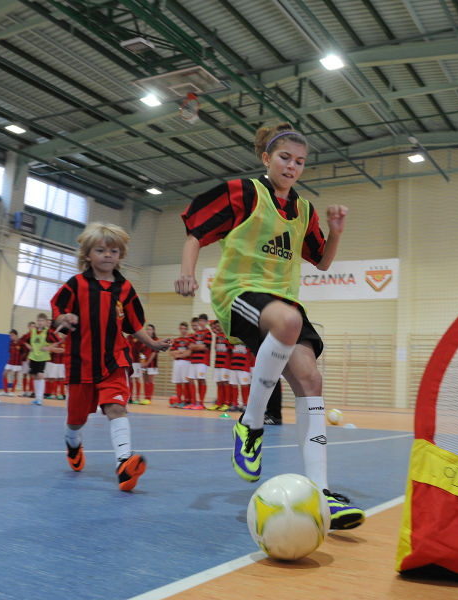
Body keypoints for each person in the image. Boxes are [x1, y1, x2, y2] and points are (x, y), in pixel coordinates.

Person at [176, 122, 364, 530]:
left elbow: (322, 262)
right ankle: (251, 422)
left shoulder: (304, 210)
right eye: (285, 158)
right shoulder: (243, 193)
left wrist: (335, 233)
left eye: (300, 161)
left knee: (311, 381)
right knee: (288, 320)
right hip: (240, 293)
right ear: (266, 158)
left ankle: (321, 493)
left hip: (284, 303)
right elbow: (195, 232)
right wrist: (187, 273)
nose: (292, 166)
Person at [51, 222, 170, 492]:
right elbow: (57, 310)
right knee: (76, 420)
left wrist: (152, 343)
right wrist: (63, 318)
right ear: (87, 255)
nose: (108, 255)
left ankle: (124, 464)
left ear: (120, 255)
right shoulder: (76, 285)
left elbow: (134, 324)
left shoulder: (125, 289)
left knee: (116, 408)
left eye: (113, 251)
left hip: (114, 361)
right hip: (81, 363)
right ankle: (72, 441)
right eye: (101, 250)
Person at [140, 324, 161, 404]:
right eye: (147, 329)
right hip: (144, 364)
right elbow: (141, 352)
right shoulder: (144, 340)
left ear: (153, 331)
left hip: (152, 365)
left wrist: (147, 363)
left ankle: (149, 398)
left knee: (150, 380)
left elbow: (154, 353)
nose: (148, 331)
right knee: (145, 380)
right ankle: (145, 397)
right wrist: (142, 363)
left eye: (150, 329)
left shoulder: (156, 340)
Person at [2, 329, 23, 396]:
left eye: (12, 335)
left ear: (16, 335)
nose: (11, 337)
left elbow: (24, 352)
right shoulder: (11, 343)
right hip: (11, 361)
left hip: (17, 362)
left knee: (15, 376)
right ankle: (5, 391)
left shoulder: (21, 342)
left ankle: (12, 391)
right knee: (4, 374)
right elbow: (10, 351)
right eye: (10, 336)